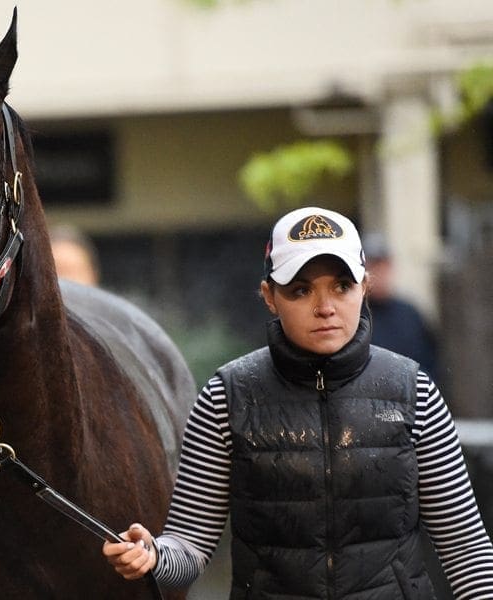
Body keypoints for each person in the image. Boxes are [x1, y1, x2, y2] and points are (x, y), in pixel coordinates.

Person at [102, 206, 493, 599]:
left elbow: (466, 548)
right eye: (301, 290)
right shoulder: (227, 395)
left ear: (365, 286)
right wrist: (151, 554)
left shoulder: (414, 391)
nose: (325, 307)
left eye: (342, 286)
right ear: (269, 296)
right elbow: (188, 546)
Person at [362, 232, 438, 379]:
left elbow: (431, 362)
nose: (378, 274)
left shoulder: (410, 314)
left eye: (383, 266)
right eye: (372, 267)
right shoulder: (354, 316)